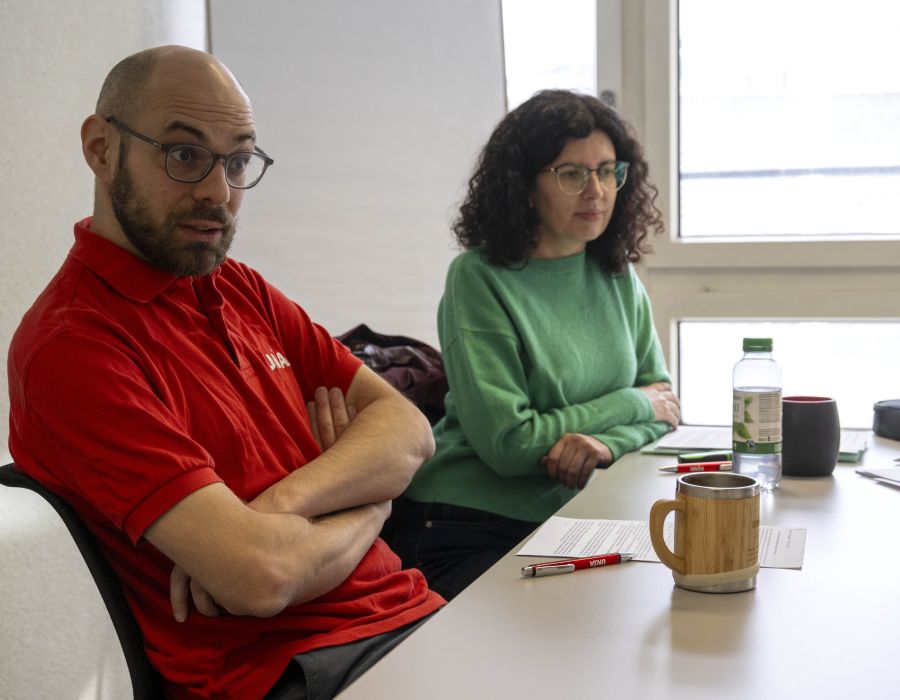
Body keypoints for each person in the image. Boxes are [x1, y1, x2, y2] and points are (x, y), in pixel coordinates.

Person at [7, 46, 444, 700]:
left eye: (238, 161)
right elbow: (261, 576)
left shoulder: (238, 287)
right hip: (292, 672)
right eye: (185, 155)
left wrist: (280, 506)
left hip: (411, 619)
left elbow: (408, 430)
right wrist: (372, 498)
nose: (219, 192)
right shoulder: (73, 347)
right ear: (101, 149)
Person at [383, 89, 681, 601]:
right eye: (572, 173)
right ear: (523, 185)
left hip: (575, 514)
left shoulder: (614, 273)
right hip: (467, 523)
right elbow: (510, 444)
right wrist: (633, 403)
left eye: (607, 171)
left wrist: (605, 445)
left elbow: (666, 406)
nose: (596, 191)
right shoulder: (478, 278)